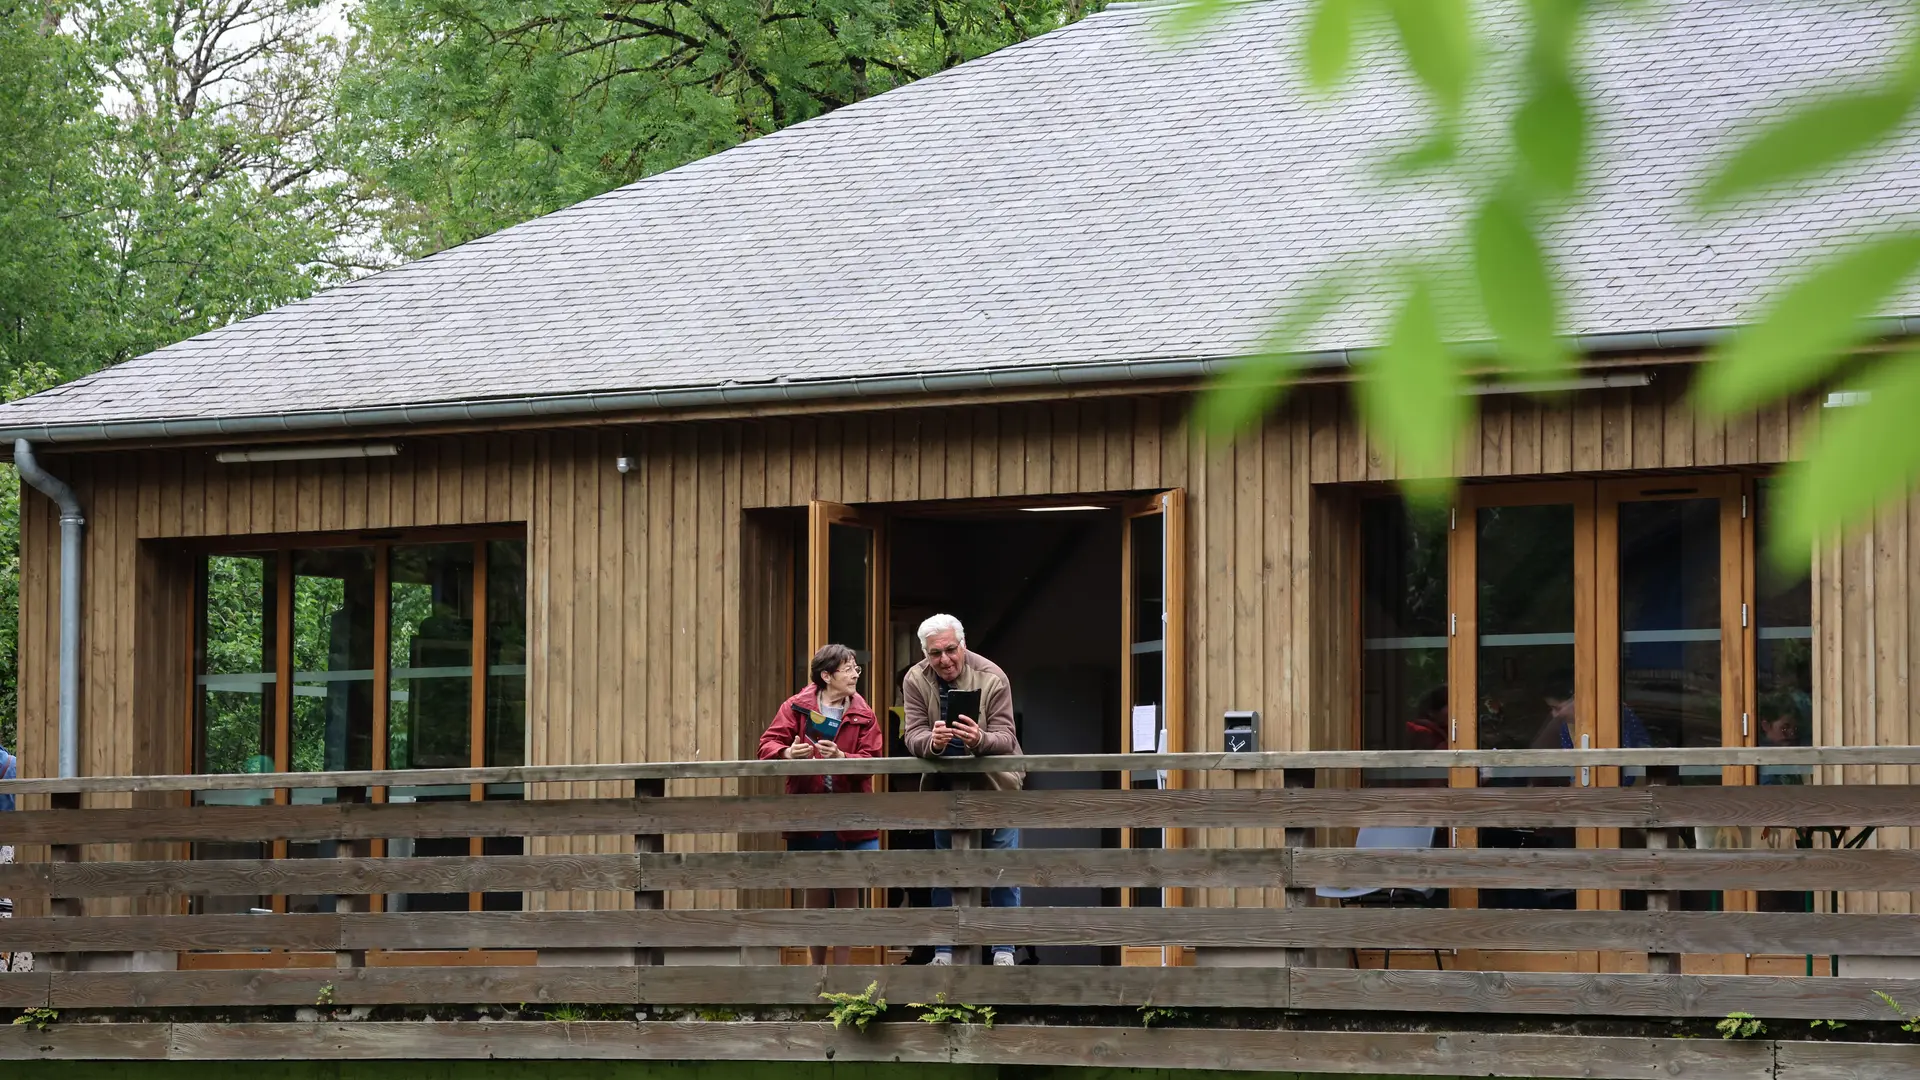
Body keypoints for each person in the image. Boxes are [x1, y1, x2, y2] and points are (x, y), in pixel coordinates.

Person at [899, 613, 1024, 966]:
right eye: (935, 654)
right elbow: (913, 735)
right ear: (925, 653)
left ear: (963, 645)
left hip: (996, 784)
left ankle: (1003, 950)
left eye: (950, 650)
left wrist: (980, 739)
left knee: (1002, 869)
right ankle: (944, 950)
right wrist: (932, 742)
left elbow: (1007, 736)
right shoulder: (914, 679)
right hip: (945, 785)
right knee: (946, 870)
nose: (944, 660)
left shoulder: (992, 675)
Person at [757, 644, 883, 965]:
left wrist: (843, 758)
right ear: (826, 676)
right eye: (848, 669)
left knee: (848, 892)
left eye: (856, 668)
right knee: (813, 891)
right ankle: (817, 968)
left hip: (852, 815)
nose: (856, 674)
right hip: (808, 813)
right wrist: (788, 753)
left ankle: (842, 973)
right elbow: (767, 745)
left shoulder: (864, 713)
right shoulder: (796, 707)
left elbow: (873, 758)